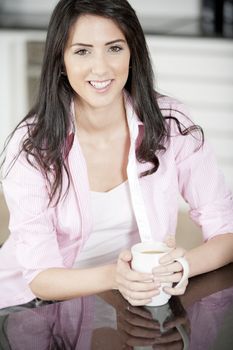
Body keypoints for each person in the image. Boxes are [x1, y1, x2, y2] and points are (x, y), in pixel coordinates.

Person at [0, 0, 233, 310]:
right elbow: (41, 278)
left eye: (114, 48)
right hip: (33, 305)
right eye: (82, 51)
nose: (101, 68)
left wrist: (182, 266)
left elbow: (226, 229)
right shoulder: (32, 145)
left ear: (132, 53)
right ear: (61, 61)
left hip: (132, 301)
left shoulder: (171, 123)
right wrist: (116, 277)